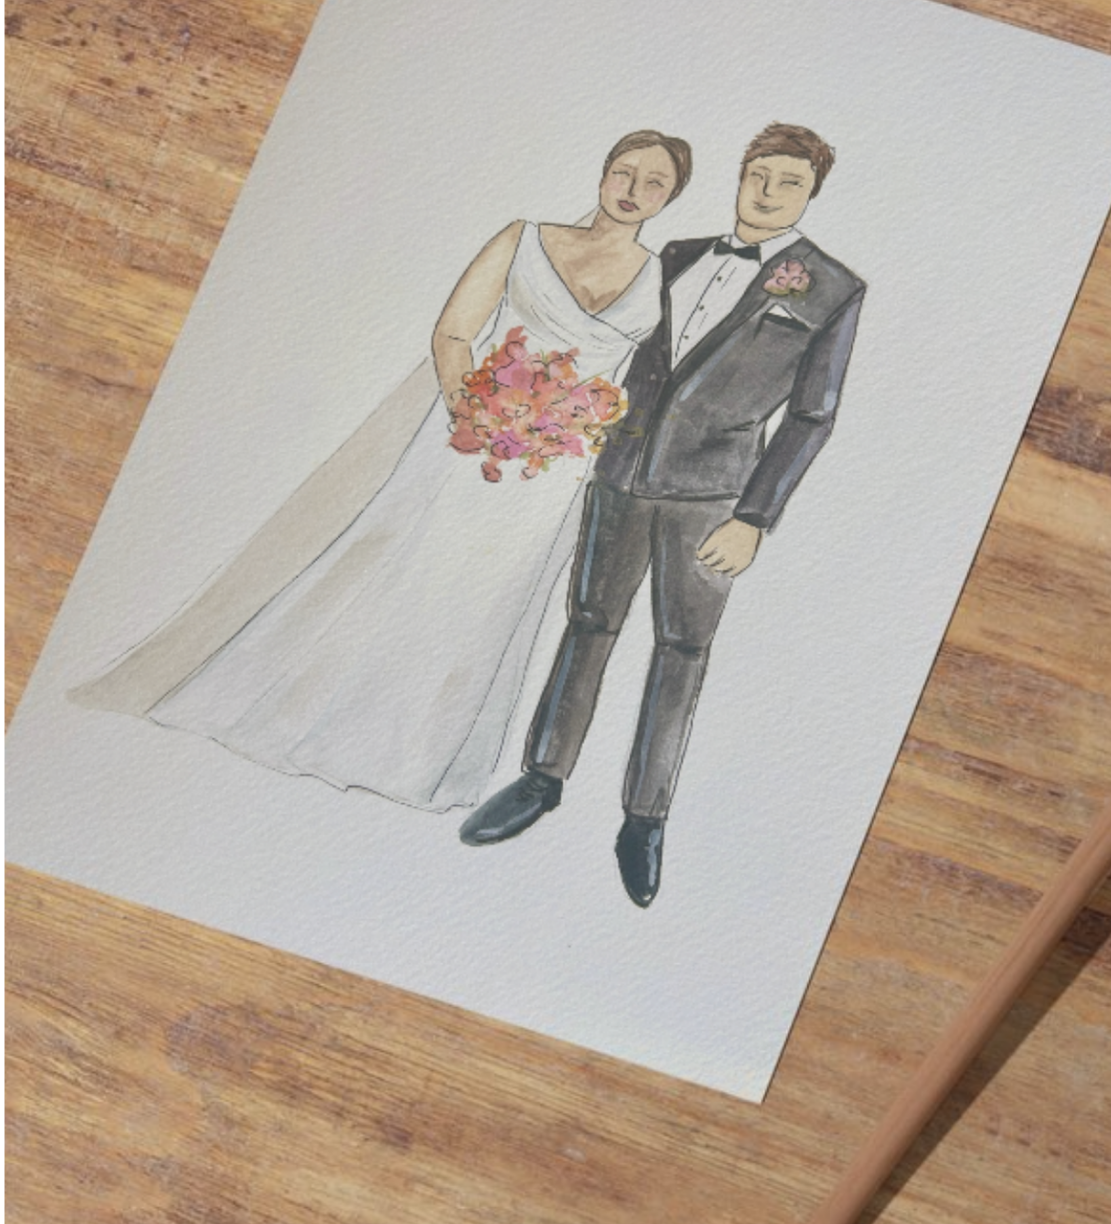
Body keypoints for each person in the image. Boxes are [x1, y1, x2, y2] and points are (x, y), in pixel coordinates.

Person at [94, 132, 690, 811]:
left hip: (554, 471)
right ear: (602, 171)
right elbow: (453, 333)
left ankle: (414, 755)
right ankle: (291, 714)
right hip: (470, 436)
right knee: (394, 564)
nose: (631, 189)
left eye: (652, 183)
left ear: (668, 198)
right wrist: (477, 410)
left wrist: (570, 426)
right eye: (623, 171)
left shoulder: (662, 278)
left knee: (482, 598)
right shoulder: (524, 236)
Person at [460, 123, 865, 908]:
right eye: (758, 174)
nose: (767, 191)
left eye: (787, 182)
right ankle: (541, 778)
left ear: (810, 194)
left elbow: (812, 417)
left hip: (712, 498)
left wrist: (754, 516)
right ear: (739, 175)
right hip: (619, 475)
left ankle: (643, 817)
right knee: (585, 622)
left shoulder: (832, 286)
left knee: (680, 649)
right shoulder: (675, 253)